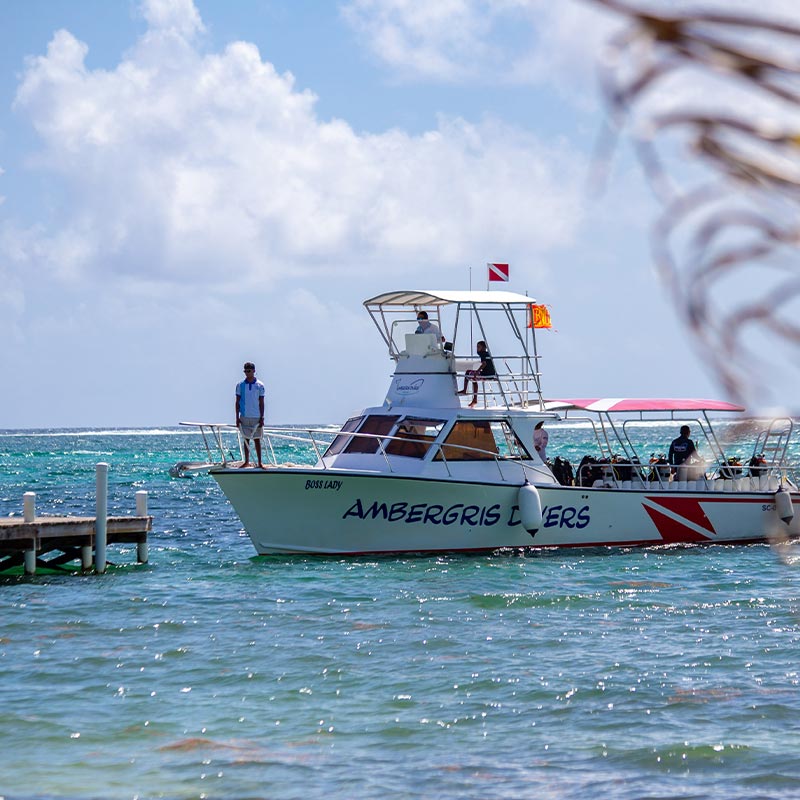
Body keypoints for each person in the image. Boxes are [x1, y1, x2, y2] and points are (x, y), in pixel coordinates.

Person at [235, 362, 265, 468]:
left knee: (257, 439)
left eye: (249, 371)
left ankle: (260, 462)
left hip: (256, 416)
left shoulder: (260, 385)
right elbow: (237, 402)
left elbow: (261, 402)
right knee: (246, 439)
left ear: (253, 371)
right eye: (245, 371)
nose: (247, 373)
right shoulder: (240, 385)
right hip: (244, 416)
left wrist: (262, 417)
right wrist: (237, 418)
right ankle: (246, 461)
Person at [458, 340, 496, 407]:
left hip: (486, 375)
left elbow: (484, 364)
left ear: (483, 348)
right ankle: (474, 399)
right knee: (473, 378)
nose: (477, 349)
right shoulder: (487, 354)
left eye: (479, 347)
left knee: (468, 372)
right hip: (491, 374)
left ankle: (464, 390)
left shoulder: (483, 354)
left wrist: (477, 371)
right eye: (477, 347)